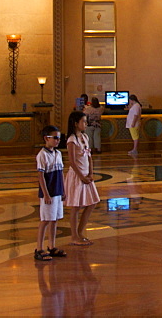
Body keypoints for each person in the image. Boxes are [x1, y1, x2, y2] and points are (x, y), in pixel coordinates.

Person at [64, 111, 99, 246]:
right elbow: (72, 161)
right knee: (76, 206)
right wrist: (81, 177)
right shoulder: (72, 140)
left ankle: (79, 232)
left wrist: (90, 173)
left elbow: (89, 157)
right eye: (83, 121)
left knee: (92, 203)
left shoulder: (85, 137)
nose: (86, 124)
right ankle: (74, 236)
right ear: (75, 124)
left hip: (85, 175)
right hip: (77, 176)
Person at [36, 124, 67, 261]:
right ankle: (39, 248)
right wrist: (46, 194)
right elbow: (41, 176)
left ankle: (52, 245)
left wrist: (63, 190)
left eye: (59, 138)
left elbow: (61, 174)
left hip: (57, 191)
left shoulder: (58, 154)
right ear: (46, 138)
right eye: (55, 138)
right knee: (46, 220)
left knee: (54, 219)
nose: (57, 140)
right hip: (49, 193)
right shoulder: (42, 155)